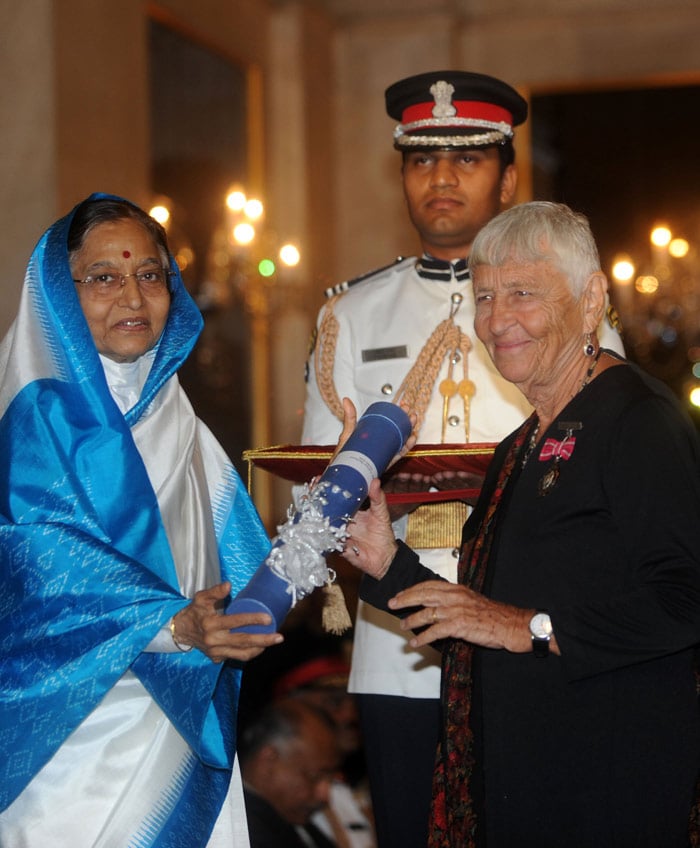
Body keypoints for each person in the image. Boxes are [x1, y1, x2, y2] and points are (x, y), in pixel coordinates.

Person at [301, 70, 624, 846]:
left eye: (468, 159)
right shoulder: (350, 314)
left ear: (509, 177)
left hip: (529, 635)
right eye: (420, 160)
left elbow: (606, 474)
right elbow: (316, 488)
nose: (440, 178)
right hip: (398, 648)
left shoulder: (568, 306)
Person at [341, 201, 700, 847]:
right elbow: (482, 627)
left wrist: (525, 626)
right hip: (521, 784)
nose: (497, 320)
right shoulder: (520, 445)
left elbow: (686, 601)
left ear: (591, 300)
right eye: (484, 297)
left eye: (523, 293)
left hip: (612, 789)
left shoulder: (639, 420)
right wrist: (383, 561)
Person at [0, 194, 284, 847]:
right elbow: (42, 565)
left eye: (149, 275)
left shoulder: (174, 412)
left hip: (176, 709)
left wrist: (324, 518)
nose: (132, 295)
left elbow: (234, 546)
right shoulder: (40, 418)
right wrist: (175, 623)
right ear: (59, 294)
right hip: (70, 730)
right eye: (104, 277)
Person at [239, 698, 341, 848]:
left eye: (329, 780)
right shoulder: (241, 833)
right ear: (269, 761)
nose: (324, 795)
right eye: (314, 777)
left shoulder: (289, 821)